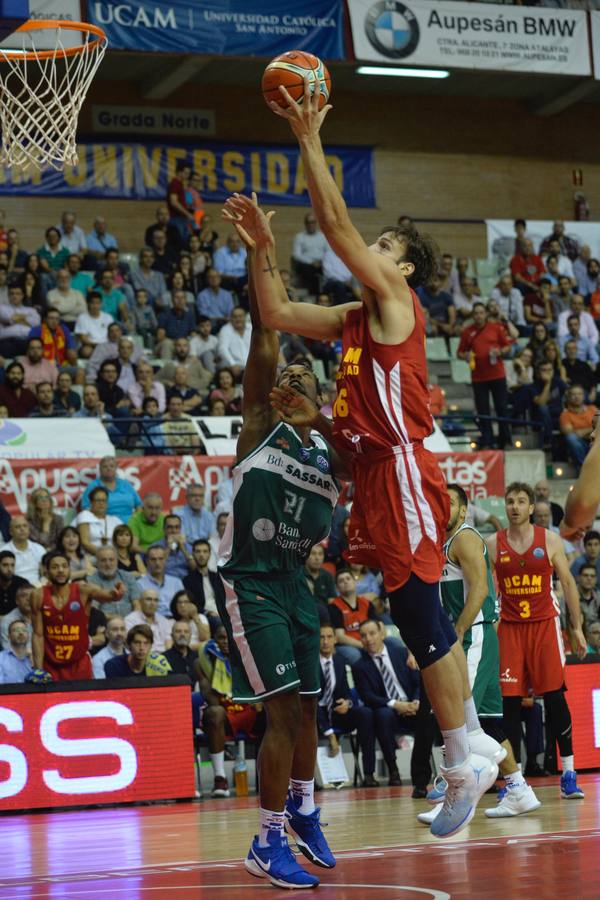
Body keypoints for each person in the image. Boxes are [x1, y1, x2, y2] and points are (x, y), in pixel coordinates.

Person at [225, 89, 502, 839]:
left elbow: (337, 226)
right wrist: (259, 248)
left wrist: (310, 136)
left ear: (404, 264)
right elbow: (278, 313)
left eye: (384, 247)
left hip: (404, 467)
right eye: (376, 247)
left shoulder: (394, 302)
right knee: (415, 610)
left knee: (416, 607)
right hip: (375, 473)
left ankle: (459, 760)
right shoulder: (352, 322)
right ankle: (470, 737)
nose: (369, 252)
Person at [213, 214, 344, 888]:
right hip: (250, 581)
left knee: (312, 706)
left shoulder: (330, 448)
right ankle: (266, 841)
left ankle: (303, 807)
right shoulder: (261, 425)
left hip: (296, 582)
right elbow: (267, 336)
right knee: (284, 708)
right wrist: (262, 253)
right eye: (285, 374)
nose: (291, 374)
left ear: (316, 400)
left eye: (304, 374)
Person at [418, 484, 539, 825]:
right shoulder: (443, 542)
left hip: (471, 636)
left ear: (464, 509)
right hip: (471, 636)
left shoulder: (465, 538)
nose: (444, 507)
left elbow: (482, 589)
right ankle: (518, 790)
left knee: (452, 715)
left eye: (451, 502)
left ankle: (453, 796)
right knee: (486, 723)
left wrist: (457, 631)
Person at [487, 482, 587, 801]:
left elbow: (568, 583)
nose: (514, 506)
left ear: (532, 508)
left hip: (544, 626)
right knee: (510, 706)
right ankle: (514, 782)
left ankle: (569, 772)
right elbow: (486, 591)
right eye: (509, 501)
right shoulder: (492, 544)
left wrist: (577, 627)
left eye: (520, 501)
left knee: (556, 699)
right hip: (511, 629)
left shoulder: (551, 540)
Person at [31, 551, 124, 680]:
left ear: (70, 569)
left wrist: (116, 594)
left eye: (64, 566)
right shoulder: (38, 595)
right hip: (50, 665)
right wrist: (38, 669)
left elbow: (106, 594)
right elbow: (38, 635)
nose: (60, 570)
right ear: (46, 572)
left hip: (79, 664)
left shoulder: (82, 589)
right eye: (55, 567)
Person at [352, 619, 420, 787]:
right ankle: (393, 770)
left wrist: (416, 701)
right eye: (363, 635)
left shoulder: (401, 653)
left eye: (372, 633)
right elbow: (368, 696)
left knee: (433, 712)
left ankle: (441, 768)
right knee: (382, 715)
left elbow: (418, 682)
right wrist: (396, 704)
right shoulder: (359, 666)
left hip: (413, 706)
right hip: (390, 711)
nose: (368, 639)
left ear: (382, 633)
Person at [317, 622, 376, 782]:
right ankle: (310, 781)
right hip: (315, 717)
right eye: (321, 637)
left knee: (365, 714)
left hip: (336, 713)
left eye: (329, 637)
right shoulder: (310, 664)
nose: (325, 641)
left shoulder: (339, 661)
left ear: (335, 640)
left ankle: (369, 774)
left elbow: (346, 692)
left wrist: (347, 703)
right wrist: (331, 736)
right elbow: (312, 702)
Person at [457, 302, 514, 449]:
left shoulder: (496, 328)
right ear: (472, 315)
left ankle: (505, 440)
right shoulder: (467, 332)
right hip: (478, 378)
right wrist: (466, 356)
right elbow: (459, 353)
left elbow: (507, 346)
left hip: (497, 375)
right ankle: (487, 441)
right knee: (483, 410)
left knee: (501, 408)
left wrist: (500, 352)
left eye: (481, 312)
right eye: (476, 313)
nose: (478, 316)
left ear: (486, 314)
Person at [328, 568, 378, 665]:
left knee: (393, 643)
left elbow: (379, 626)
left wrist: (375, 641)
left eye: (348, 578)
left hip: (369, 640)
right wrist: (365, 645)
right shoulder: (333, 607)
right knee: (355, 655)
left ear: (355, 582)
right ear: (337, 588)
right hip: (348, 645)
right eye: (341, 581)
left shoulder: (366, 603)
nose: (345, 582)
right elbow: (340, 637)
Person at [81, 456, 142, 523]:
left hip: (130, 524)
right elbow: (85, 508)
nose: (108, 469)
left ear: (116, 469)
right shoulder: (93, 486)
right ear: (100, 470)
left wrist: (136, 517)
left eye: (112, 466)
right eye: (105, 466)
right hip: (105, 523)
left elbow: (139, 505)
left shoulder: (126, 484)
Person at [182, 539, 224, 634]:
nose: (201, 555)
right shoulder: (188, 580)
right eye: (198, 551)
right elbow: (191, 604)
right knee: (218, 622)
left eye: (205, 551)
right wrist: (208, 612)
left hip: (222, 612)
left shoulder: (217, 577)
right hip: (206, 615)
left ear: (209, 554)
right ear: (193, 554)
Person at [88, 546, 140, 618]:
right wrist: (115, 619)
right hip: (105, 623)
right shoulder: (92, 580)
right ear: (97, 563)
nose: (108, 564)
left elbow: (137, 604)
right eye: (103, 560)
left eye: (111, 560)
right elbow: (94, 610)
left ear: (117, 561)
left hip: (130, 621)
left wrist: (132, 620)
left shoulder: (127, 576)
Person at [104, 623, 171, 677]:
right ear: (128, 645)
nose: (142, 648)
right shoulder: (114, 666)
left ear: (151, 646)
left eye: (146, 643)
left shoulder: (159, 663)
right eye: (137, 643)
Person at [73, 487, 123, 557]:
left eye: (104, 500)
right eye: (98, 500)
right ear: (91, 502)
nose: (101, 503)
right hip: (90, 557)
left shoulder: (115, 520)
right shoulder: (84, 515)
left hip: (114, 557)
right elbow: (85, 543)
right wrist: (106, 555)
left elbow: (126, 541)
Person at [136, 545, 184, 617]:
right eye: (153, 559)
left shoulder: (176, 582)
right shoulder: (139, 584)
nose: (157, 563)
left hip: (175, 621)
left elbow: (184, 606)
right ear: (147, 561)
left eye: (161, 559)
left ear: (166, 560)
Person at [559, 384, 597, 471]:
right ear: (568, 397)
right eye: (573, 394)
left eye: (579, 394)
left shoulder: (592, 409)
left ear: (584, 396)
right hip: (582, 446)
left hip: (596, 442)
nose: (577, 397)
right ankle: (585, 469)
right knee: (571, 438)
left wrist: (584, 432)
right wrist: (593, 429)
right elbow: (571, 434)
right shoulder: (565, 415)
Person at [124, 588, 172, 653]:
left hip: (163, 658)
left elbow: (169, 643)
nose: (152, 603)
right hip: (141, 657)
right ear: (140, 601)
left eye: (156, 600)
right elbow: (131, 644)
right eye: (149, 599)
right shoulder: (130, 620)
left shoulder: (164, 621)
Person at [0, 517, 45, 585]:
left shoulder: (39, 549)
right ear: (11, 532)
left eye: (25, 526)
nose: (22, 529)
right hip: (13, 588)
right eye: (18, 527)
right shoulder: (3, 551)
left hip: (37, 587)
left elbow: (44, 574)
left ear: (29, 530)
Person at [301, 544, 336, 622]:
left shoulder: (327, 576)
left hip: (324, 615)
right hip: (304, 613)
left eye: (320, 554)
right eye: (313, 554)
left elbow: (332, 600)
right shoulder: (299, 574)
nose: (317, 558)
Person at [155, 514, 195, 580]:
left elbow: (194, 568)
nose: (174, 531)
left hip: (186, 581)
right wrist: (168, 548)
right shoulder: (156, 547)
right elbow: (157, 567)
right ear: (164, 529)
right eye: (170, 527)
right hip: (165, 580)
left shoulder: (188, 547)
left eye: (177, 527)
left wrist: (183, 548)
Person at [0, 584, 33, 651]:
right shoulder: (8, 621)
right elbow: (7, 649)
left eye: (32, 596)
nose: (28, 599)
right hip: (17, 659)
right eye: (24, 596)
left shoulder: (44, 616)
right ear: (17, 601)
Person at [0, 619, 33, 684]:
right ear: (8, 636)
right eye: (16, 630)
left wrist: (34, 664)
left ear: (29, 636)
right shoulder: (1, 658)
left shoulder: (35, 658)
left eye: (24, 630)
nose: (21, 633)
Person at [0, 550, 29, 617]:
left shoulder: (22, 583)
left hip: (19, 623)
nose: (10, 569)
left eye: (12, 565)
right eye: (5, 565)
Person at [575, 564, 600, 633]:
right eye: (585, 575)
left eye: (592, 576)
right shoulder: (570, 596)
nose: (589, 578)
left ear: (596, 579)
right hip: (576, 634)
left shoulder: (598, 596)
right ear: (578, 578)